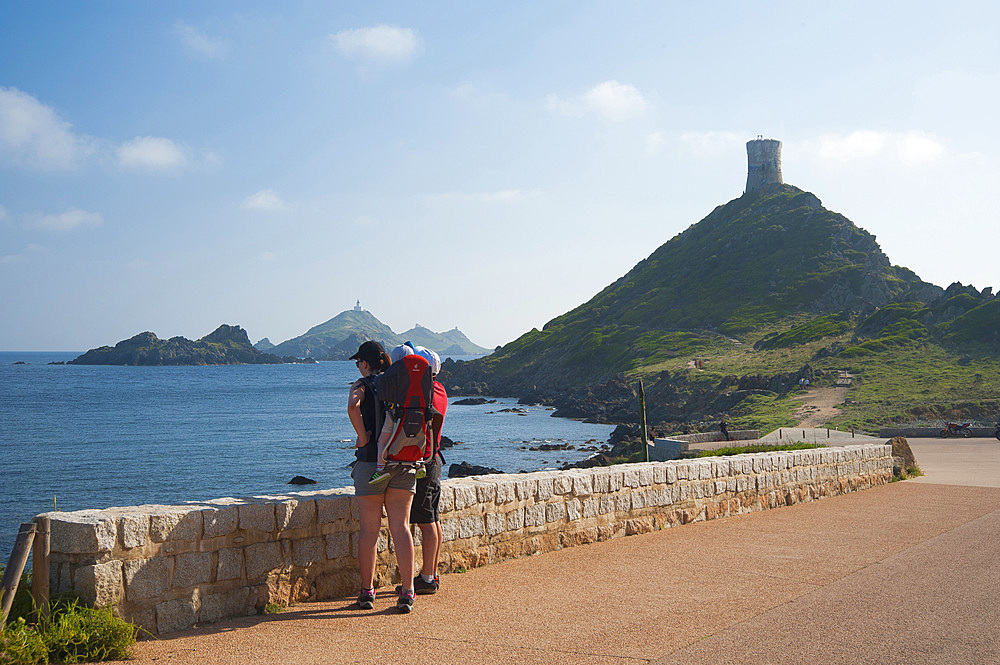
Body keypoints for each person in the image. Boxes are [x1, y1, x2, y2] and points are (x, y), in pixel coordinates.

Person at [347, 340, 418, 613]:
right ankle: (408, 592)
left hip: (371, 465)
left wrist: (363, 437)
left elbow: (353, 406)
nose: (358, 366)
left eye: (358, 362)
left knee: (370, 530)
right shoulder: (400, 384)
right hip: (403, 463)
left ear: (365, 363)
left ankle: (367, 593)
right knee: (401, 527)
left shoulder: (363, 385)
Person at [408, 346, 447, 594]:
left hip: (425, 461)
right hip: (436, 459)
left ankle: (427, 578)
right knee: (432, 518)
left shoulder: (426, 392)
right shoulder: (440, 390)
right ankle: (431, 573)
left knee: (425, 521)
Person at [369, 343, 416, 485]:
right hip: (417, 413)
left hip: (395, 413)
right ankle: (417, 463)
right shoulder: (417, 374)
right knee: (415, 438)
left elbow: (383, 390)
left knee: (382, 441)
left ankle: (380, 469)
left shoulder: (394, 373)